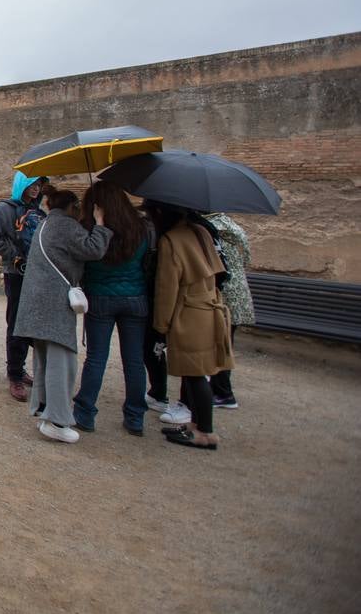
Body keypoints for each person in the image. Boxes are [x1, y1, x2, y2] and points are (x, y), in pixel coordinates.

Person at [15, 189, 112, 444]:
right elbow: (94, 250)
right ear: (72, 206)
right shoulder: (66, 225)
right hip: (54, 304)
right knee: (62, 363)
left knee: (45, 360)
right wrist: (101, 223)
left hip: (37, 304)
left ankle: (45, 409)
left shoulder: (47, 223)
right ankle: (57, 420)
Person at [150, 203, 233, 450]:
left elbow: (167, 287)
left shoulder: (171, 240)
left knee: (196, 374)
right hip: (210, 306)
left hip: (189, 312)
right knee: (197, 372)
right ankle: (196, 424)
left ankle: (205, 433)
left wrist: (160, 324)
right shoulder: (202, 231)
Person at [72, 181, 152, 436]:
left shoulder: (90, 229)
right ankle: (135, 417)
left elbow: (88, 261)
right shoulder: (141, 228)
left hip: (101, 297)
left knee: (96, 357)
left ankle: (85, 412)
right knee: (134, 361)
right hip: (135, 298)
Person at [0, 171, 47, 401]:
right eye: (32, 184)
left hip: (37, 275)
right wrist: (15, 255)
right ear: (22, 184)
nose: (36, 188)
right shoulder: (5, 209)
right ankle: (15, 375)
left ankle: (21, 368)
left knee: (32, 323)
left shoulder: (39, 213)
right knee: (17, 323)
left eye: (39, 184)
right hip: (16, 274)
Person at [205, 213, 253, 409]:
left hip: (224, 293)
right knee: (224, 342)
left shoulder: (211, 229)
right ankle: (220, 389)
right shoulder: (232, 227)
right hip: (239, 293)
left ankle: (224, 393)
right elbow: (247, 258)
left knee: (220, 344)